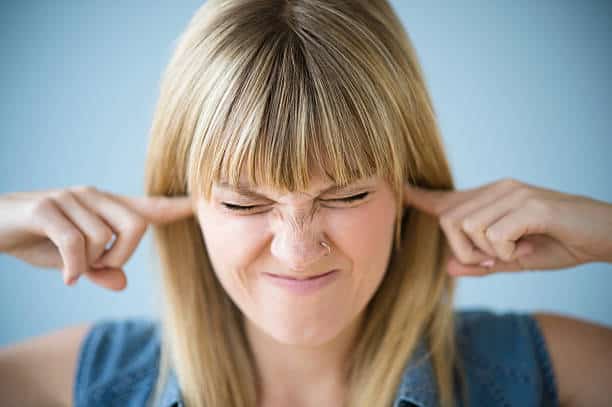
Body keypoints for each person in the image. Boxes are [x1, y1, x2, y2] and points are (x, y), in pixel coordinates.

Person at [1, 0, 611, 406]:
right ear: (185, 202)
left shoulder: (537, 371)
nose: (297, 250)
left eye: (346, 194)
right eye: (243, 203)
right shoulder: (87, 382)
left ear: (404, 190)